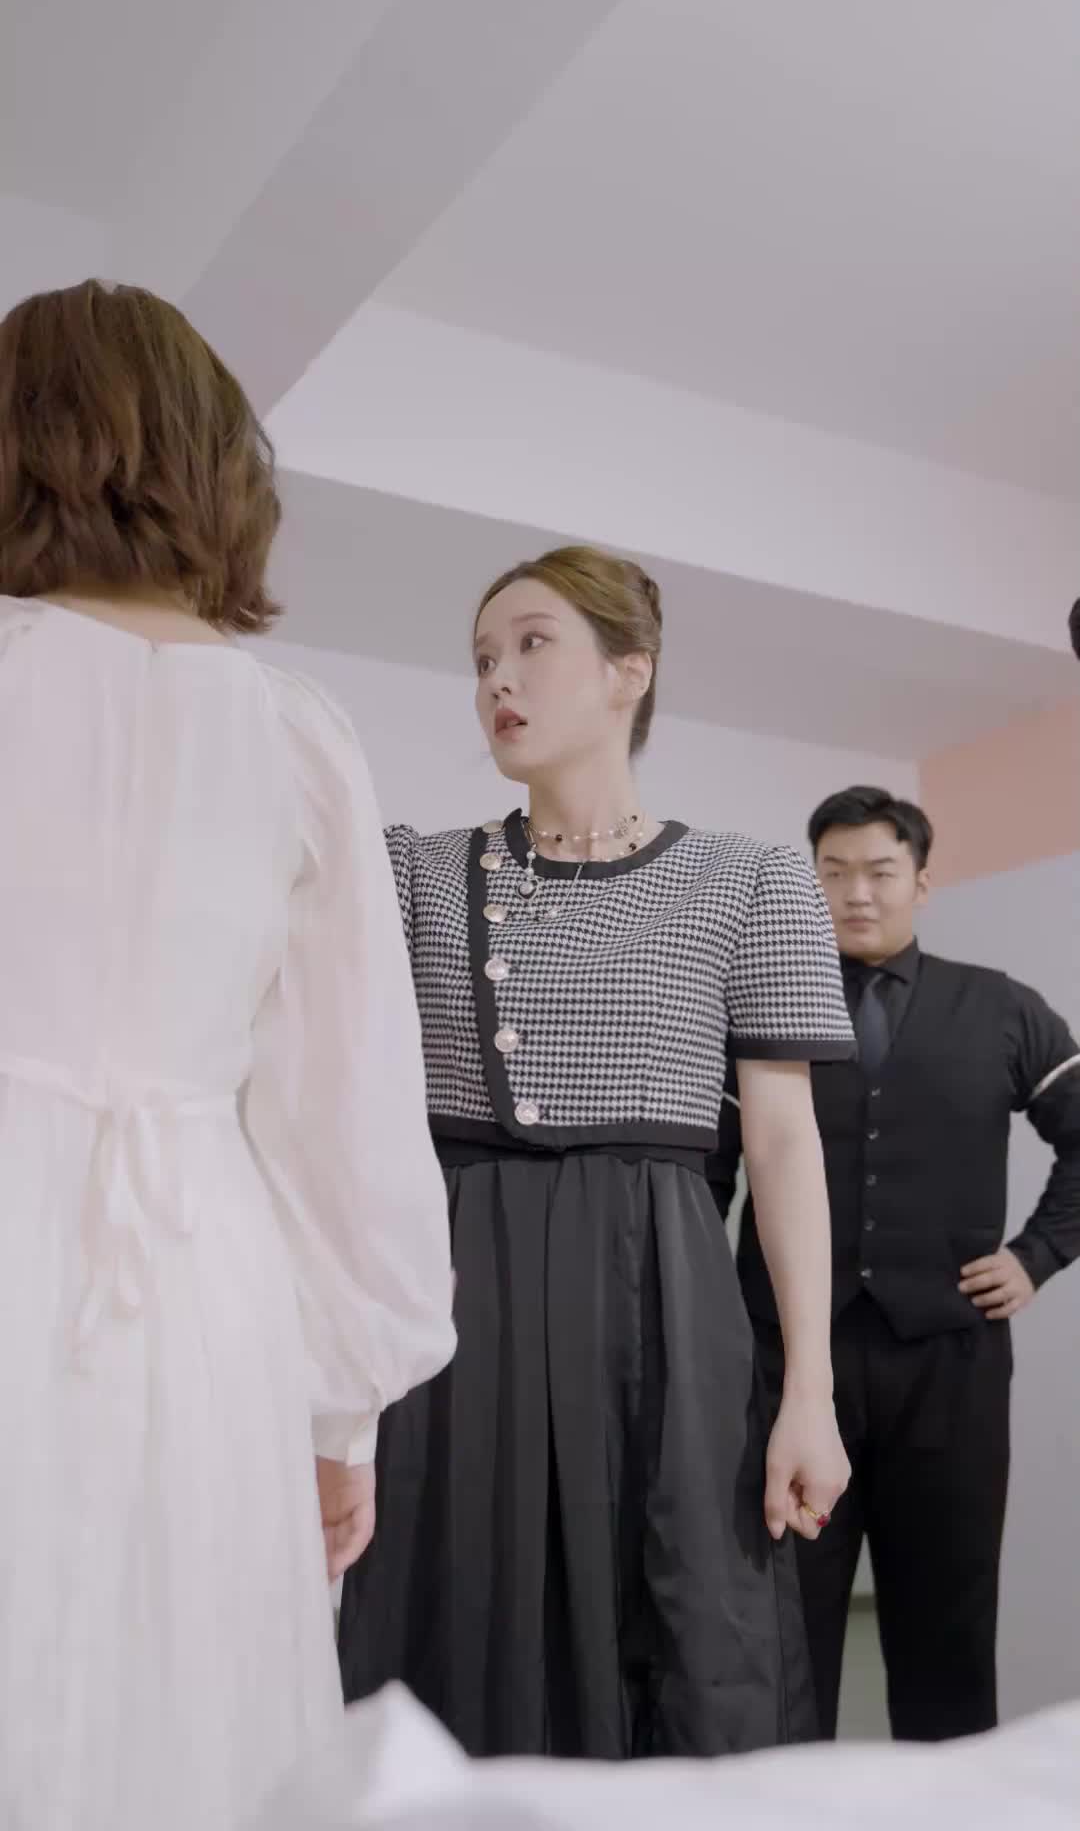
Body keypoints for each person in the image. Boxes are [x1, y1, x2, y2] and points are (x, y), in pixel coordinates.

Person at [0, 280, 456, 1831]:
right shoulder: (298, 733)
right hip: (205, 1279)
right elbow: (347, 1112)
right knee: (179, 1704)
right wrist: (342, 1418)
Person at [337, 544, 853, 1759]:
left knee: (679, 1625)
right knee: (457, 1623)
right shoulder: (413, 872)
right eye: (481, 659)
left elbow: (784, 1149)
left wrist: (811, 1395)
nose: (497, 681)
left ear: (631, 671)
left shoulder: (755, 880)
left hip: (661, 1300)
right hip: (458, 1300)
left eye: (531, 644)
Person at [708, 786, 1080, 1744]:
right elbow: (703, 1172)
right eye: (833, 873)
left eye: (879, 871)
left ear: (922, 879)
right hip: (787, 1365)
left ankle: (949, 1802)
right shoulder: (766, 1008)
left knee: (948, 1623)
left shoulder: (1002, 1007)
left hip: (951, 1366)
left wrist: (1038, 1255)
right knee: (783, 1625)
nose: (857, 893)